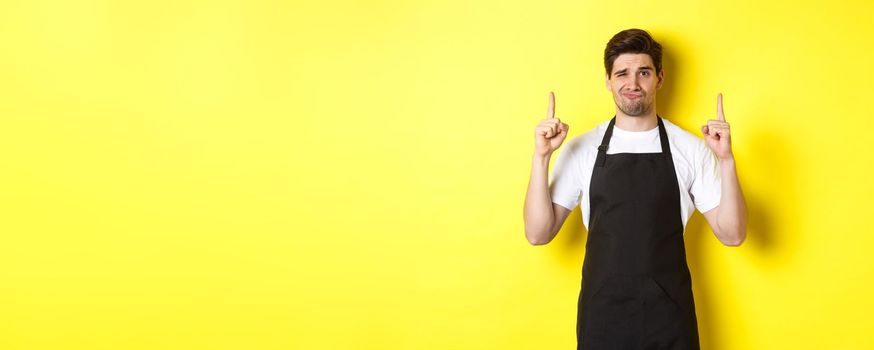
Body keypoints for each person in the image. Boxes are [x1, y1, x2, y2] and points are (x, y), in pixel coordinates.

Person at [522, 28, 748, 349]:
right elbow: (537, 233)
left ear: (659, 78)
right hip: (602, 319)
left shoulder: (690, 149)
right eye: (622, 73)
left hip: (669, 319)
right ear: (608, 81)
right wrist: (541, 157)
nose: (633, 83)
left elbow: (733, 234)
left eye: (643, 72)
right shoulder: (582, 149)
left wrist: (726, 160)